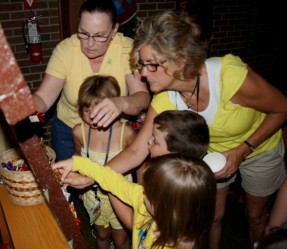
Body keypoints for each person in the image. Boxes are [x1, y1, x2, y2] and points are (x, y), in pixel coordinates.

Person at [59, 11, 287, 249]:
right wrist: (90, 176)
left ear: (181, 60)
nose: (143, 73)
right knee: (214, 217)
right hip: (212, 157)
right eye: (142, 64)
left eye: (151, 65)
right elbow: (136, 151)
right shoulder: (164, 99)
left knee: (255, 216)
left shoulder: (228, 76)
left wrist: (242, 150)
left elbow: (281, 108)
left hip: (258, 144)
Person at [32, 0, 150, 161]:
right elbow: (43, 98)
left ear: (114, 29)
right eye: (84, 33)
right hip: (69, 132)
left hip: (116, 133)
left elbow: (142, 97)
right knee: (68, 183)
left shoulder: (126, 49)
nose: (90, 43)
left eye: (100, 36)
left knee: (113, 181)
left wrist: (120, 103)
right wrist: (25, 107)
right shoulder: (66, 50)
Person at [53, 153, 217, 249]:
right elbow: (115, 182)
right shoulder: (145, 199)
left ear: (167, 208)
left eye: (148, 191)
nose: (141, 190)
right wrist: (78, 162)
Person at [73, 75, 136, 249]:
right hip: (93, 197)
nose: (93, 117)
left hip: (120, 196)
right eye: (87, 111)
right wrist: (81, 187)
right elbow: (78, 159)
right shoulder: (79, 132)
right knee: (101, 235)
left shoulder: (127, 133)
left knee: (121, 239)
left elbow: (139, 165)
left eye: (99, 110)